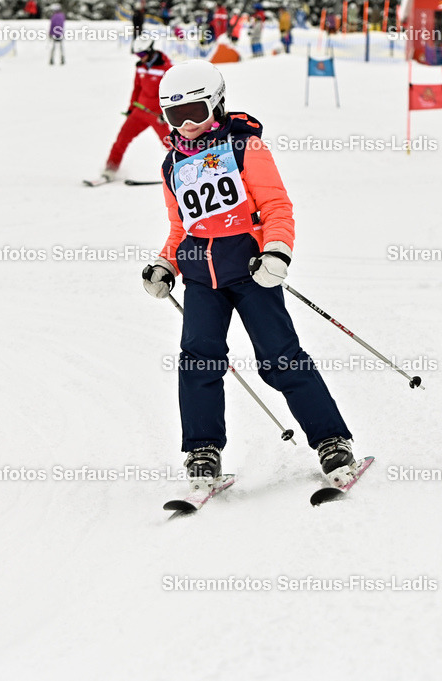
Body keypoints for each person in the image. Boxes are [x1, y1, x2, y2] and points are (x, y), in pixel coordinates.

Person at [141, 60, 358, 495]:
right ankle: (203, 450)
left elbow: (276, 206)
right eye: (175, 115)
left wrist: (277, 250)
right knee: (198, 361)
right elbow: (181, 228)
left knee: (280, 357)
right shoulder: (172, 164)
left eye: (196, 112)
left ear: (217, 104)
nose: (187, 124)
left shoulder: (246, 148)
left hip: (252, 273)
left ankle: (332, 440)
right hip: (201, 279)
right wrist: (166, 263)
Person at [97, 37, 172, 182]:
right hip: (139, 111)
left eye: (142, 54)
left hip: (157, 115)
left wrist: (167, 113)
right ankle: (110, 170)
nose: (140, 57)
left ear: (150, 51)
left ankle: (184, 169)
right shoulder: (140, 67)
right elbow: (136, 89)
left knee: (170, 144)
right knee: (121, 139)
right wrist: (131, 109)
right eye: (137, 54)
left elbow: (171, 93)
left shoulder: (166, 68)